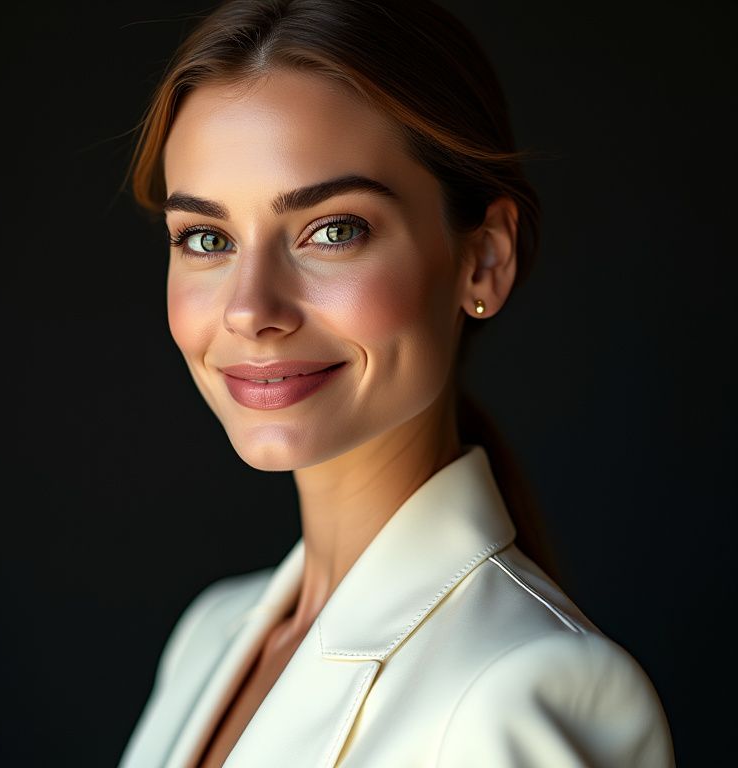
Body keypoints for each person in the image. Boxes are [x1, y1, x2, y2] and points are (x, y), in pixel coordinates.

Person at [117, 1, 675, 765]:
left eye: (334, 231)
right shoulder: (211, 635)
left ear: (482, 260)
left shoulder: (521, 690)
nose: (251, 310)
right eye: (207, 239)